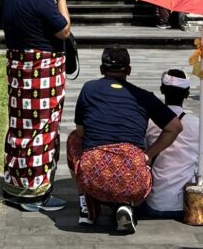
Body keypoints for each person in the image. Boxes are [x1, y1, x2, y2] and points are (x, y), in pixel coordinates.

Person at [66, 46, 182, 233]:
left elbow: (80, 130)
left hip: (92, 175)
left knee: (73, 139)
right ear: (129, 70)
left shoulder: (89, 88)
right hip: (133, 177)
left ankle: (86, 203)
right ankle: (126, 204)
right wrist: (148, 154)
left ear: (102, 70)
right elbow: (175, 127)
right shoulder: (144, 97)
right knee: (135, 156)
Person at [1, 0, 71, 212]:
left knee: (20, 128)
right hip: (42, 75)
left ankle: (14, 187)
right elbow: (64, 29)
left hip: (19, 73)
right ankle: (35, 194)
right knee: (42, 130)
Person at [141, 68, 203, 218]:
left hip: (153, 203)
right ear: (187, 94)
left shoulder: (149, 123)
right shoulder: (199, 125)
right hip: (188, 204)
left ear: (162, 90)